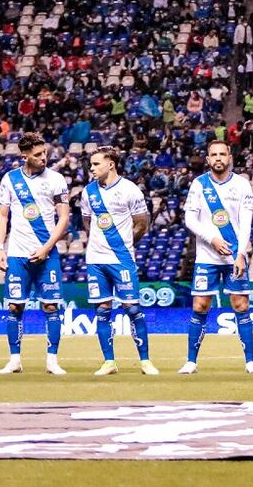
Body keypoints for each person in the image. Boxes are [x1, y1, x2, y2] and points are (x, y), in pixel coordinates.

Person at [179, 141, 253, 375]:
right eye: (213, 154)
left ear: (229, 157)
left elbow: (246, 222)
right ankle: (191, 362)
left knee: (241, 305)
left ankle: (251, 361)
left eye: (222, 154)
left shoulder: (241, 184)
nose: (218, 158)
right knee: (200, 305)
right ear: (207, 159)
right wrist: (212, 238)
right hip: (207, 257)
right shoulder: (199, 184)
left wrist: (241, 253)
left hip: (235, 257)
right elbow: (190, 219)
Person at [0, 132, 70, 376]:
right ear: (24, 156)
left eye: (44, 152)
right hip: (17, 253)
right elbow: (2, 215)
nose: (43, 157)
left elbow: (64, 218)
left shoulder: (56, 179)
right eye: (37, 154)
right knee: (14, 307)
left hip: (47, 254)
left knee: (51, 306)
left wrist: (47, 247)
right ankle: (14, 360)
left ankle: (52, 361)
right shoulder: (10, 179)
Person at [80, 147, 158, 376]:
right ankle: (109, 362)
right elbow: (87, 222)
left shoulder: (130, 190)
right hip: (96, 260)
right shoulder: (88, 192)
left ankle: (145, 361)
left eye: (96, 164)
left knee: (132, 308)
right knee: (102, 310)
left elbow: (142, 224)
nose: (92, 168)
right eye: (91, 164)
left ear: (111, 164)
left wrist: (124, 244)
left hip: (122, 259)